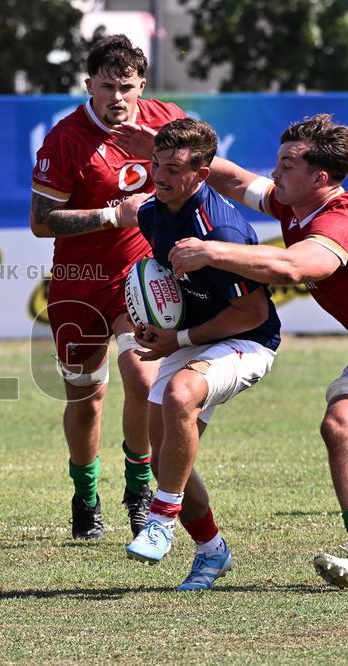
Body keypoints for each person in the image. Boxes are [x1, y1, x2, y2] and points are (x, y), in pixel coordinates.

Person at [168, 113, 348, 591]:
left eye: (287, 165)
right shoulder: (293, 204)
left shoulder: (340, 219)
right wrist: (157, 140)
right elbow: (231, 178)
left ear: (321, 178)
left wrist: (211, 251)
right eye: (278, 162)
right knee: (341, 426)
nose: (274, 173)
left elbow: (294, 267)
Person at [30, 34, 186, 539]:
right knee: (85, 397)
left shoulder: (166, 122)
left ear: (142, 83)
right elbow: (41, 220)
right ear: (88, 85)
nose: (117, 97)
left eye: (126, 86)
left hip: (139, 278)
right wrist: (110, 215)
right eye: (106, 86)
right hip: (79, 283)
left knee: (144, 381)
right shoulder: (65, 139)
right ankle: (85, 493)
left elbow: (201, 176)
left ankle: (139, 487)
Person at [115, 118, 281, 590]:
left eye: (171, 168)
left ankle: (161, 517)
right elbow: (173, 285)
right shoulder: (154, 212)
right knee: (167, 454)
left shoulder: (221, 229)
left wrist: (181, 340)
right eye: (155, 165)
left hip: (248, 340)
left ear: (201, 174)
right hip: (193, 337)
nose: (159, 176)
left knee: (179, 395)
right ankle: (212, 552)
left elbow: (250, 313)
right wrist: (158, 320)